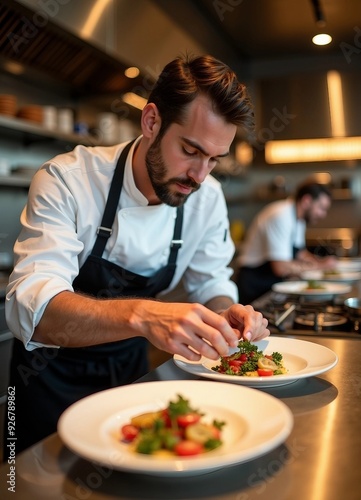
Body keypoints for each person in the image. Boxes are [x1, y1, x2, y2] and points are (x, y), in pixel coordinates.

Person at [4, 54, 270, 455]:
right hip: (47, 379)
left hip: (131, 378)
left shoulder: (207, 197)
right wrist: (143, 315)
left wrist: (226, 312)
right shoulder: (67, 180)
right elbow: (33, 310)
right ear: (151, 122)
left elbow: (209, 281)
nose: (199, 176)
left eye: (214, 160)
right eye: (190, 150)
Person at [236, 181, 337, 304]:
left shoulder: (298, 218)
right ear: (306, 201)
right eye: (321, 208)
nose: (323, 214)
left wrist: (320, 262)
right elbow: (281, 268)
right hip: (255, 282)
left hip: (270, 280)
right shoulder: (281, 215)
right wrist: (320, 266)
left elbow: (300, 253)